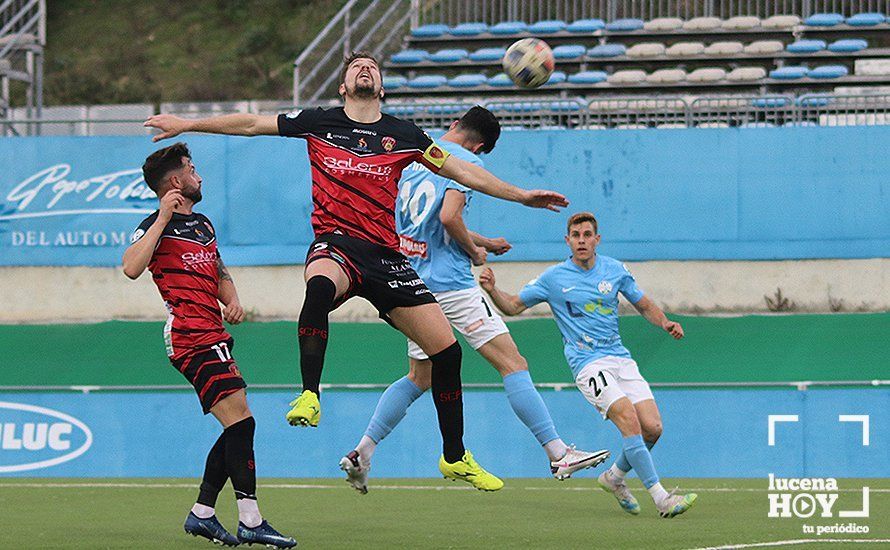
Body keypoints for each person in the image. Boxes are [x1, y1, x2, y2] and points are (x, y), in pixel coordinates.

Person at [143, 51, 568, 489]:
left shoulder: (405, 135)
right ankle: (310, 394)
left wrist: (521, 196)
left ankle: (454, 456)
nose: (364, 69)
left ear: (380, 87)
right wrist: (187, 124)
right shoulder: (318, 122)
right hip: (336, 244)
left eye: (372, 67)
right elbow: (251, 123)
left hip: (386, 257)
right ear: (344, 86)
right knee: (320, 286)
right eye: (355, 67)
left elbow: (462, 170)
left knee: (447, 352)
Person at [339, 107, 609, 494]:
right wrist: (474, 251)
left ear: (453, 125)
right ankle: (557, 451)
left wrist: (482, 241)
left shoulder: (419, 156)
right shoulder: (461, 162)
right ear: (480, 147)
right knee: (512, 362)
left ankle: (362, 452)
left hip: (413, 284)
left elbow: (424, 222)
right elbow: (449, 217)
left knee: (421, 377)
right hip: (451, 285)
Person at [123, 143, 296, 547]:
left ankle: (203, 512)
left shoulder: (203, 225)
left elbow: (218, 270)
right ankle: (249, 519)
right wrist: (163, 216)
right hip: (189, 336)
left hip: (213, 333)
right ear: (176, 181)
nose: (199, 176)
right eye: (192, 169)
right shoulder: (153, 225)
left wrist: (231, 298)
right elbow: (131, 267)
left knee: (240, 424)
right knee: (242, 421)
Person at [478, 212, 698, 518]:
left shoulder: (614, 270)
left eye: (587, 234)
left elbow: (644, 305)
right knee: (629, 421)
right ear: (567, 241)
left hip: (620, 358)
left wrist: (665, 323)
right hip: (587, 363)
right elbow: (513, 306)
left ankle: (614, 478)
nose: (582, 240)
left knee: (653, 428)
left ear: (597, 239)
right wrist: (492, 290)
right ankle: (662, 498)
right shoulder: (554, 278)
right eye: (576, 235)